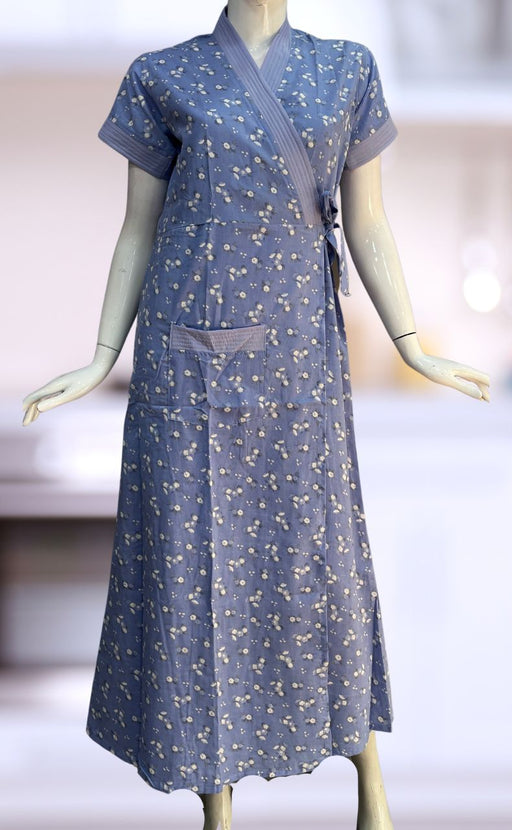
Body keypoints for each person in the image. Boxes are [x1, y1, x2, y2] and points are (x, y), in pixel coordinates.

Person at [22, 2, 490, 829]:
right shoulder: (163, 77)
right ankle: (218, 807)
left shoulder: (347, 70)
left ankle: (371, 788)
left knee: (322, 565)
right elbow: (138, 231)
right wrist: (99, 356)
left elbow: (367, 221)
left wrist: (412, 344)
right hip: (186, 373)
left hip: (303, 367)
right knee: (195, 572)